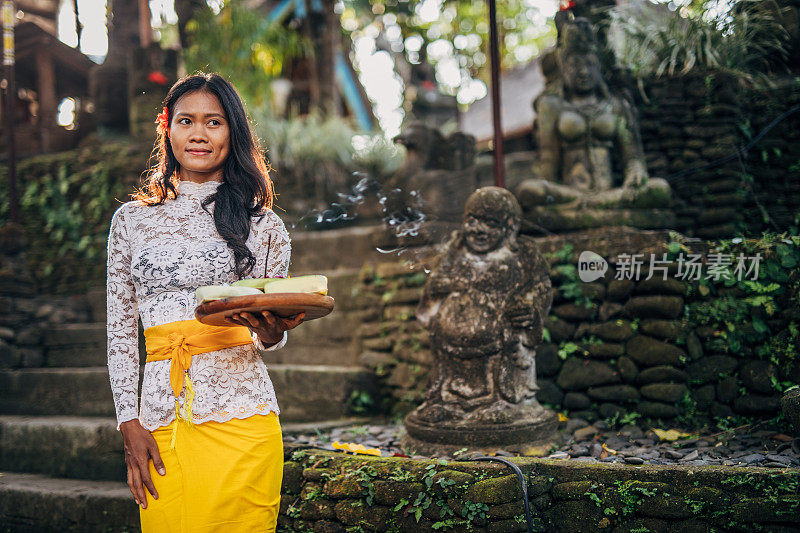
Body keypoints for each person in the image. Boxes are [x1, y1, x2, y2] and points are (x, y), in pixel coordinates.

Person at [106, 72, 304, 532]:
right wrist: (128, 422)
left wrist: (273, 334)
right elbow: (119, 330)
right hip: (157, 422)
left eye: (213, 122)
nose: (199, 134)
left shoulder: (264, 225)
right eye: (186, 121)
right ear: (166, 129)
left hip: (243, 417)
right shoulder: (131, 221)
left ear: (232, 131)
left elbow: (268, 334)